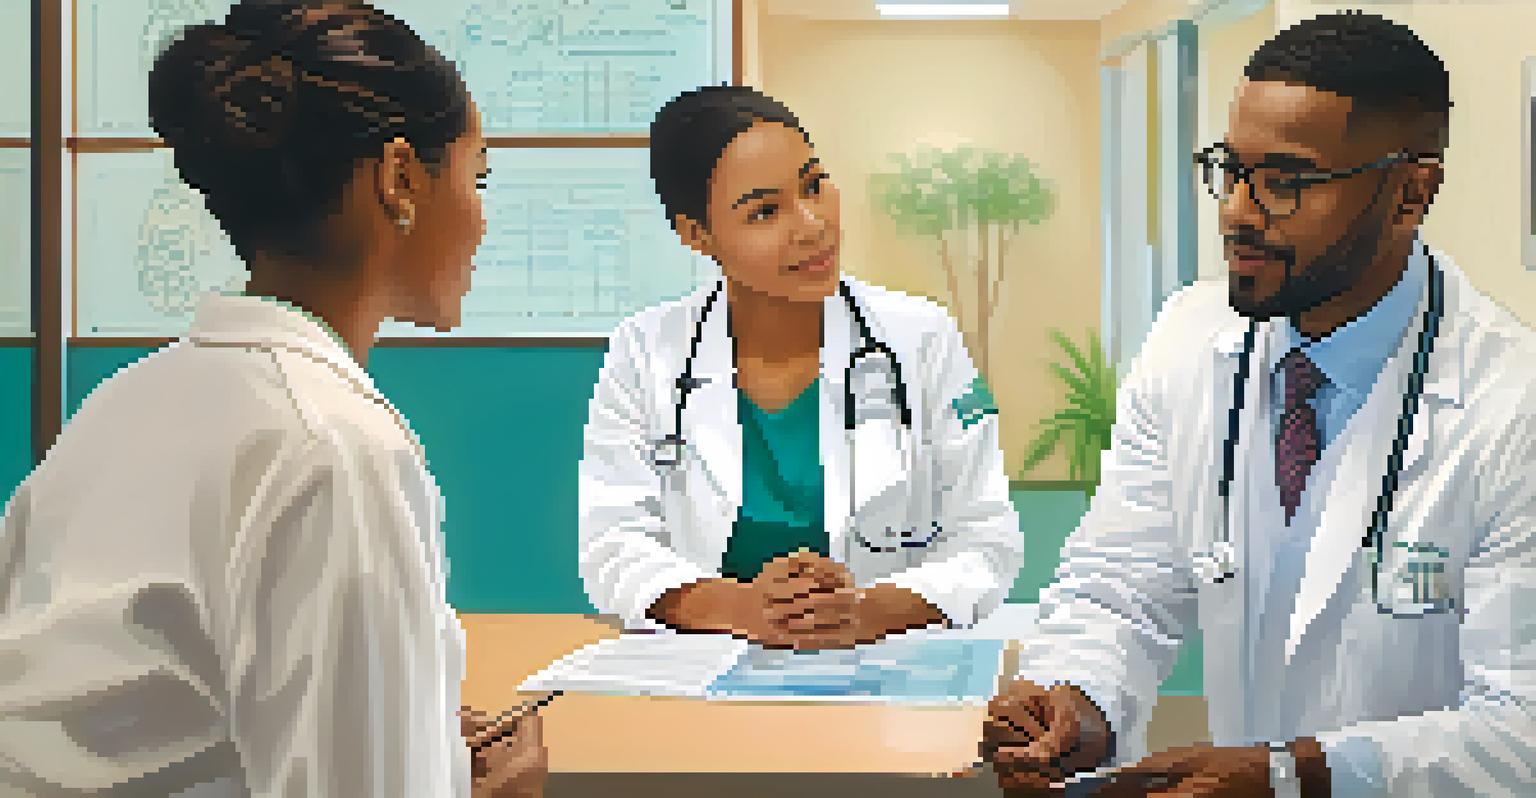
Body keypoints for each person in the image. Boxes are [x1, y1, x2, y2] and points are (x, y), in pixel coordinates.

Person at [984, 12, 1535, 798]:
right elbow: (1121, 585)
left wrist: (1301, 775)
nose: (1239, 210)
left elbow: (1521, 728)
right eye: (1229, 169)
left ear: (1411, 192)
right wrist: (1075, 702)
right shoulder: (1187, 338)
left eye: (1286, 181)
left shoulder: (1511, 404)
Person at [0, 2, 544, 795]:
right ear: (400, 179)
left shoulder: (122, 403)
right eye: (477, 176)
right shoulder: (333, 449)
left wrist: (406, 725)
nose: (483, 218)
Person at [578, 85, 1021, 649]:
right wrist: (745, 609)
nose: (811, 225)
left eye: (814, 185)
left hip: (886, 674)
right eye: (765, 211)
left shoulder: (923, 340)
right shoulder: (645, 353)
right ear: (697, 235)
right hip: (704, 669)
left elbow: (988, 536)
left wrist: (866, 612)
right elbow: (612, 544)